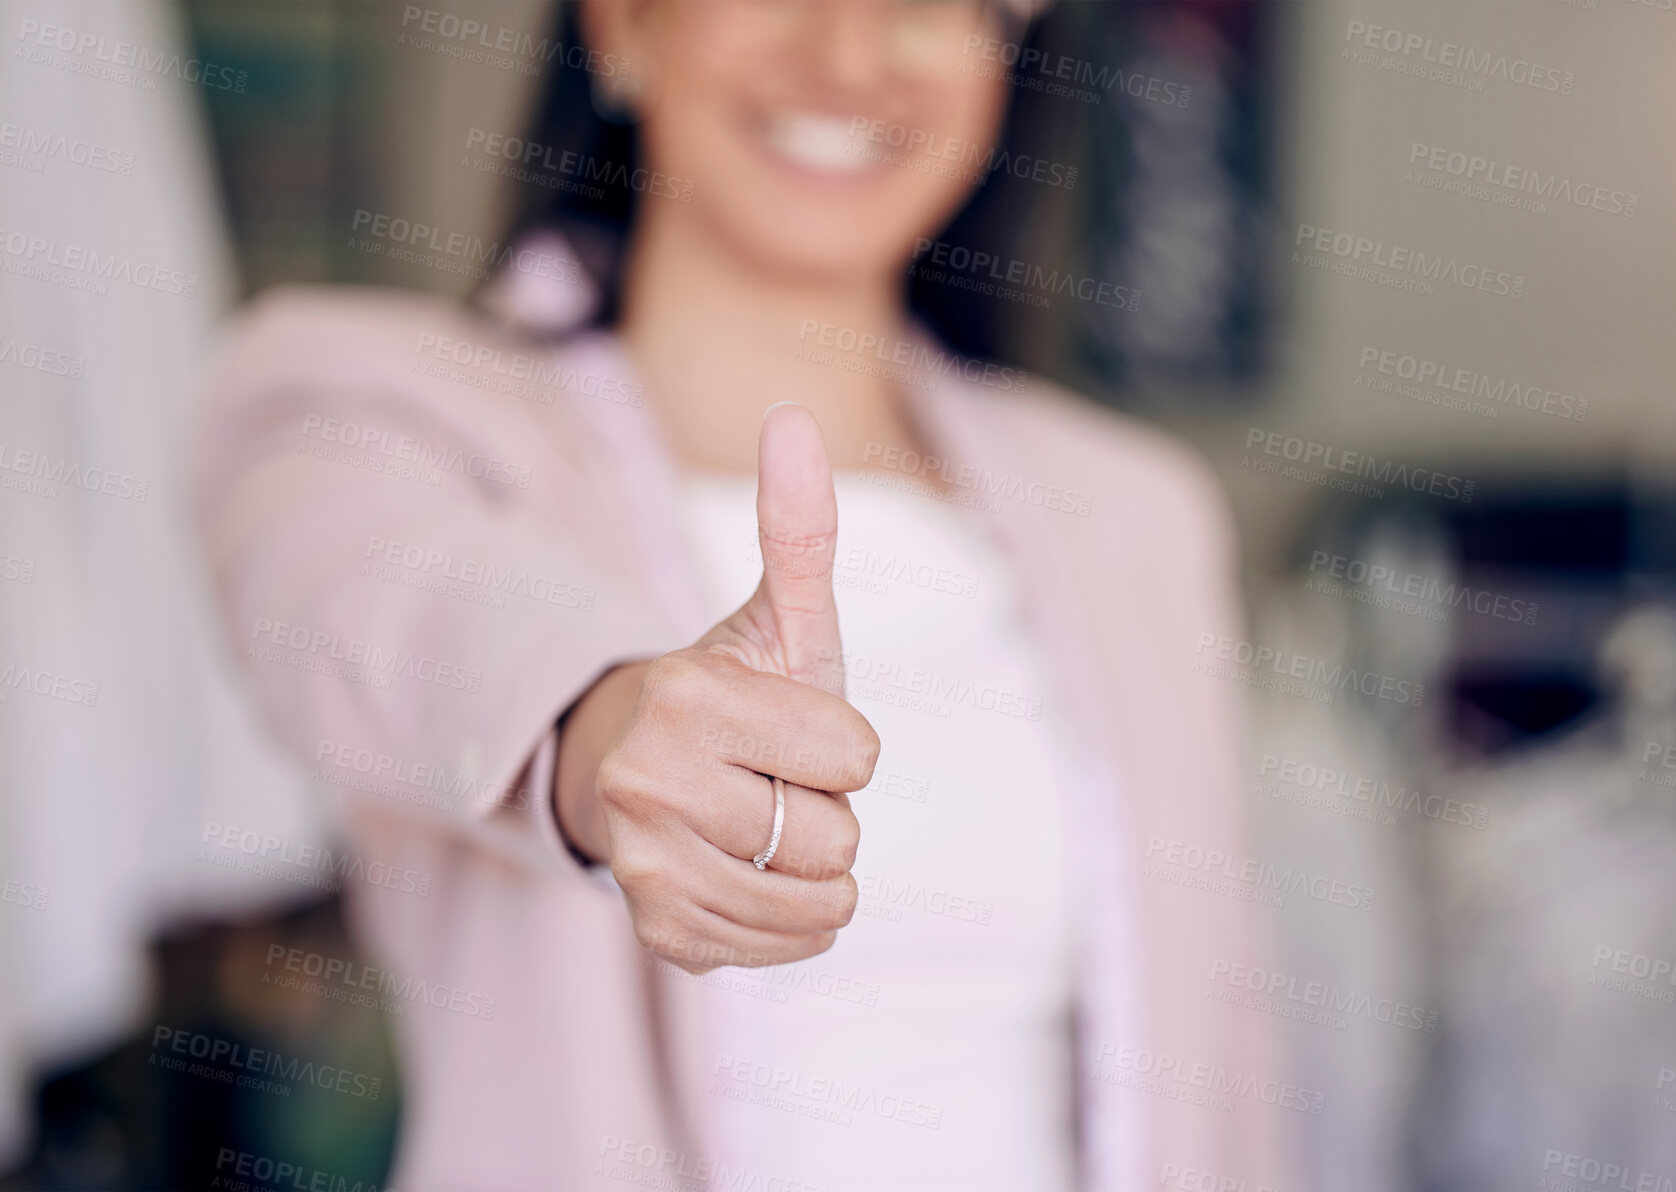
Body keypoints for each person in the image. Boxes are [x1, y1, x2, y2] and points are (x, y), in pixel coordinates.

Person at [193, 1, 1286, 1188]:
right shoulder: (372, 410)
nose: (848, 54)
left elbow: (1227, 1088)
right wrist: (601, 725)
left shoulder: (1136, 516)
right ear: (616, 26)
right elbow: (394, 616)